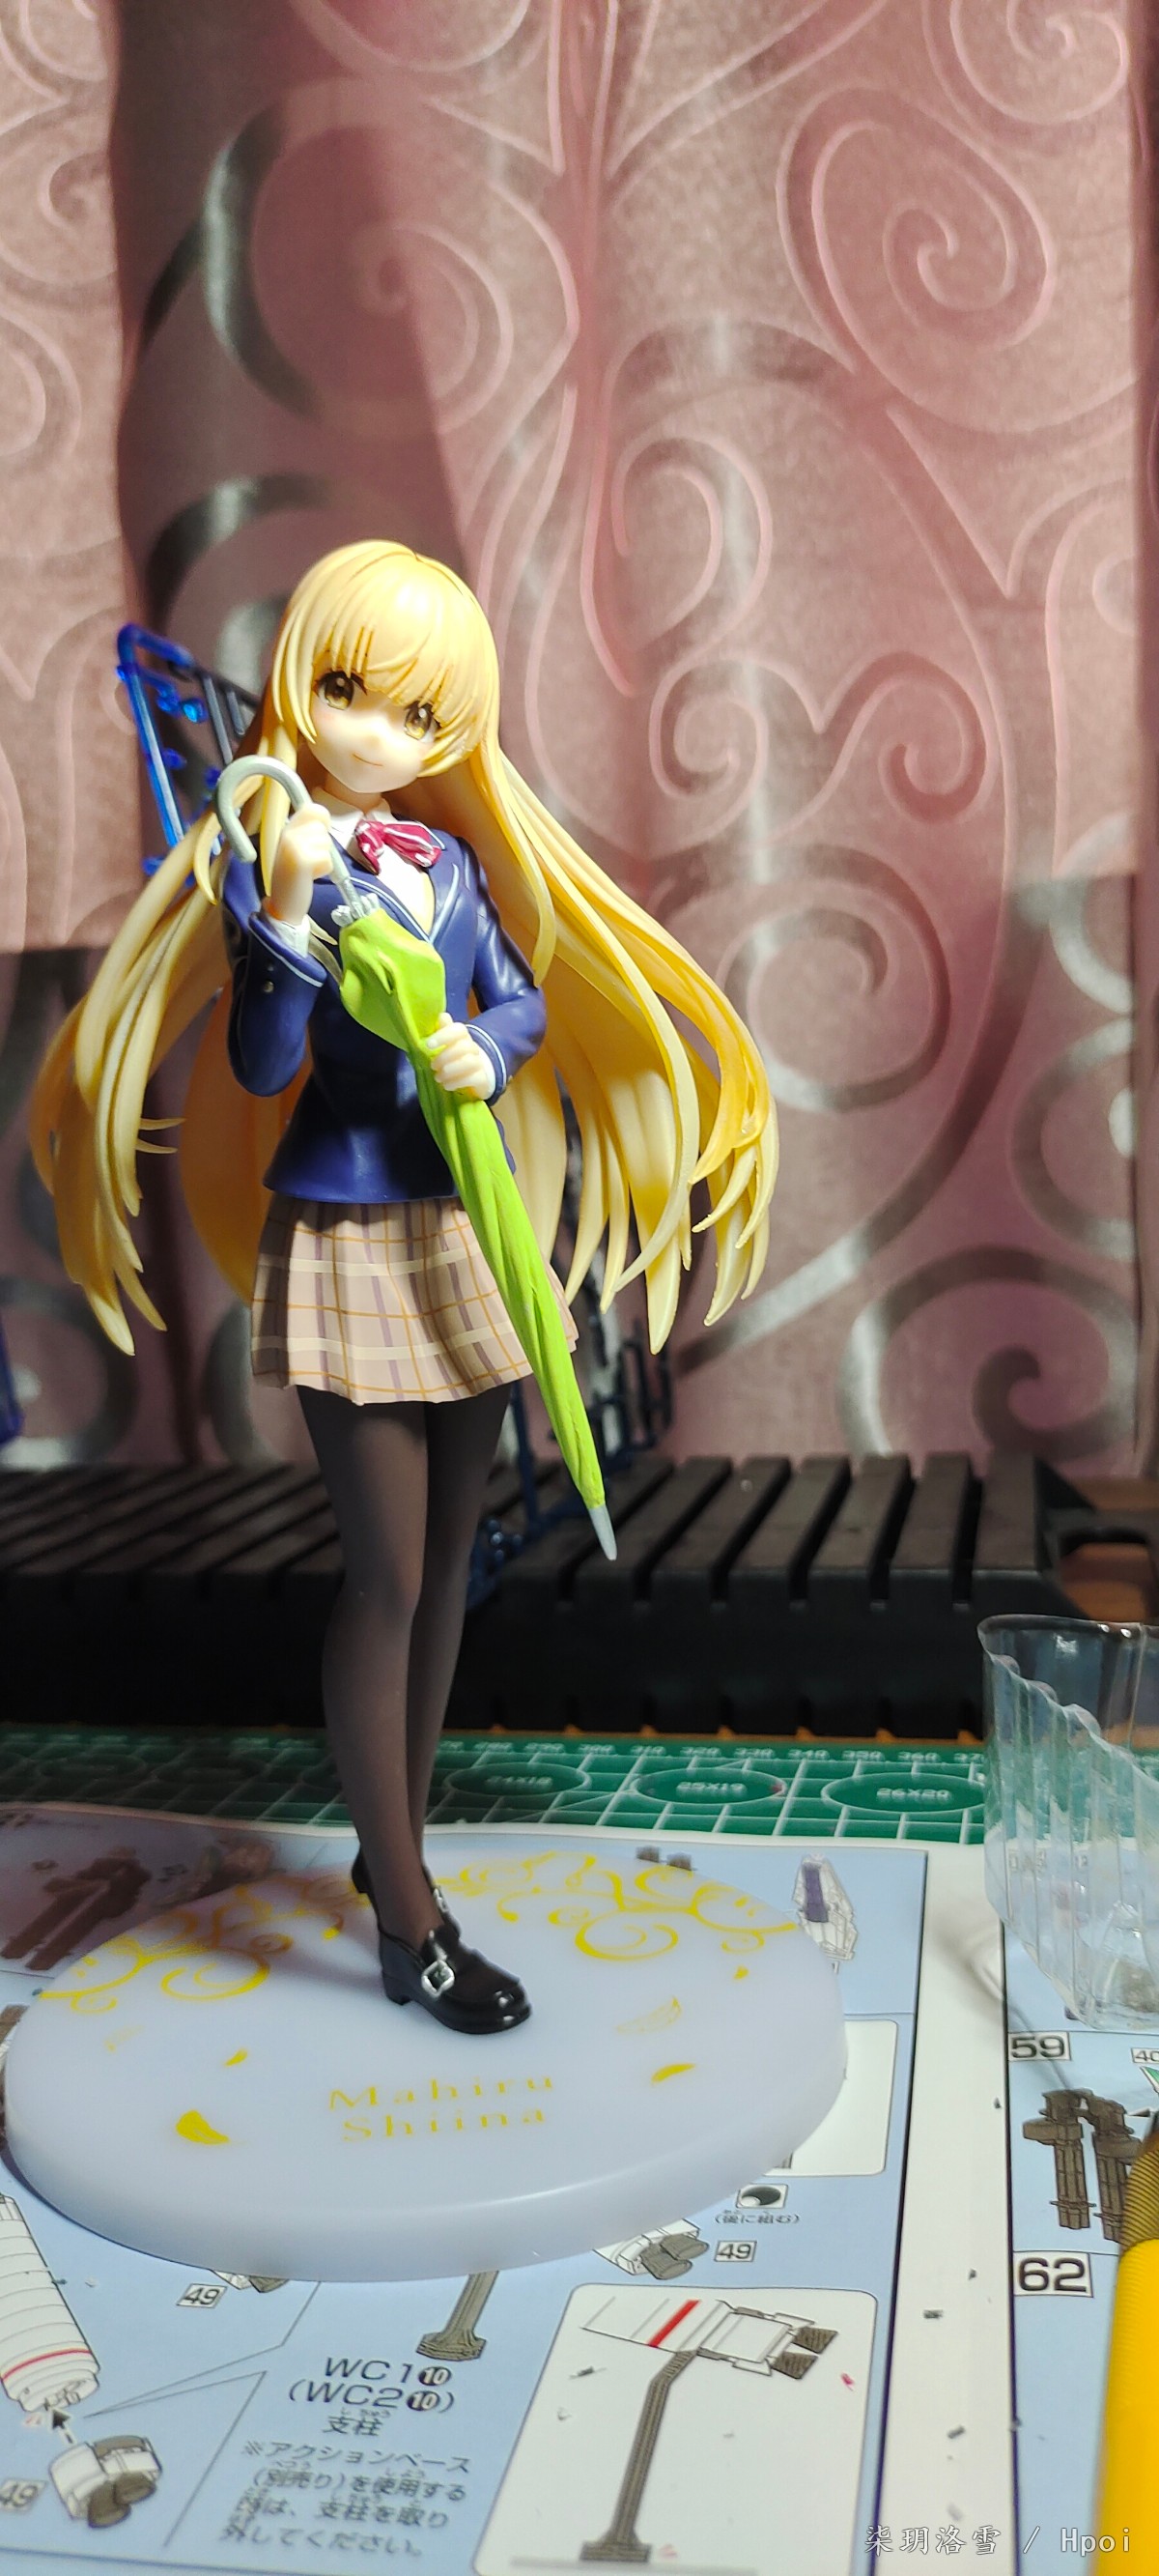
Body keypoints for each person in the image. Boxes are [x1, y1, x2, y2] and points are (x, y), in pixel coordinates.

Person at [32, 541, 777, 2032]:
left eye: (420, 711)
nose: (377, 731)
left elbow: (520, 995)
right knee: (383, 1573)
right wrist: (285, 913)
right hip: (353, 1232)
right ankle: (410, 1929)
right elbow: (261, 1066)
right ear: (301, 684)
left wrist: (484, 1050)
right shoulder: (275, 856)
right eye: (349, 690)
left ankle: (397, 1849)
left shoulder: (445, 862)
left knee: (449, 1563)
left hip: (465, 1226)